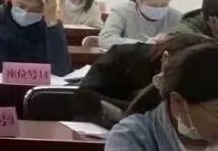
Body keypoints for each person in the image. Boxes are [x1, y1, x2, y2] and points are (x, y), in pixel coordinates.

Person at [75, 33, 212, 128]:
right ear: (165, 58)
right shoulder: (122, 56)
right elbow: (85, 96)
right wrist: (138, 111)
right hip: (100, 127)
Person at [99, 0, 182, 48]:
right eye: (153, 5)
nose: (159, 9)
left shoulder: (177, 17)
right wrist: (143, 44)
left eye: (164, 5)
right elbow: (106, 39)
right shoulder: (122, 11)